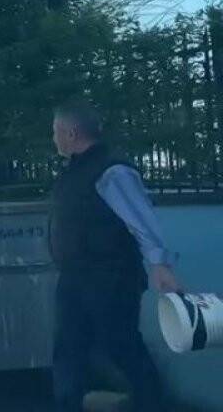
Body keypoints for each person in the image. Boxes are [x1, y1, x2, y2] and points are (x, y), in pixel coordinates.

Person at [49, 101, 182, 412]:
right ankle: (67, 405)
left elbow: (142, 221)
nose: (53, 138)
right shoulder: (75, 171)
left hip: (111, 277)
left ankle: (153, 403)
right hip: (75, 276)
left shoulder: (113, 171)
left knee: (120, 344)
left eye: (55, 131)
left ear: (71, 132)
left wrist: (160, 265)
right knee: (67, 347)